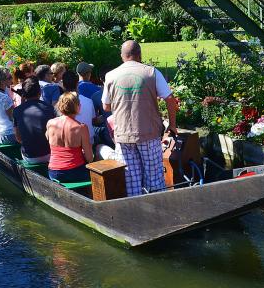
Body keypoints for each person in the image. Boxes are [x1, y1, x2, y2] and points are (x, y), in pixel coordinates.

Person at [102, 40, 178, 196]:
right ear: (140, 55)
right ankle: (159, 210)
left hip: (123, 135)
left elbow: (106, 107)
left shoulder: (110, 76)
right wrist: (172, 124)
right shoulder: (152, 72)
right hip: (148, 134)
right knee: (154, 179)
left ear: (122, 56)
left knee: (131, 180)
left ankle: (136, 213)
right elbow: (170, 99)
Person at [46, 92, 93, 183]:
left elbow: (48, 138)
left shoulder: (50, 123)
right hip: (75, 172)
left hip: (54, 172)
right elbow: (89, 158)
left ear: (59, 106)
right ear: (78, 107)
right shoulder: (81, 128)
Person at [13, 76, 53, 163]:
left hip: (29, 157)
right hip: (49, 154)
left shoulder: (16, 110)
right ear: (39, 92)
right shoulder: (50, 108)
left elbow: (18, 138)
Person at [61, 70, 97, 147]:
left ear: (63, 85)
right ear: (77, 84)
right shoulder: (88, 101)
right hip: (88, 142)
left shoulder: (60, 103)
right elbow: (93, 120)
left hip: (69, 143)